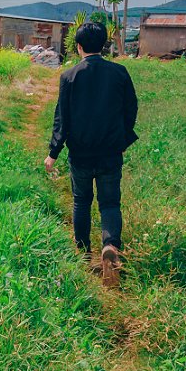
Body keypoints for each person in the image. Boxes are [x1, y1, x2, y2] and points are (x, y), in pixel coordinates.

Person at [44, 22, 138, 286]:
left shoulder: (69, 76)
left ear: (79, 46)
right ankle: (110, 247)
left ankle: (84, 255)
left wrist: (54, 152)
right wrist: (123, 139)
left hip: (81, 154)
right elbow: (131, 109)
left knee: (81, 201)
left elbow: (63, 119)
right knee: (109, 203)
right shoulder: (120, 73)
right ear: (105, 46)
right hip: (110, 152)